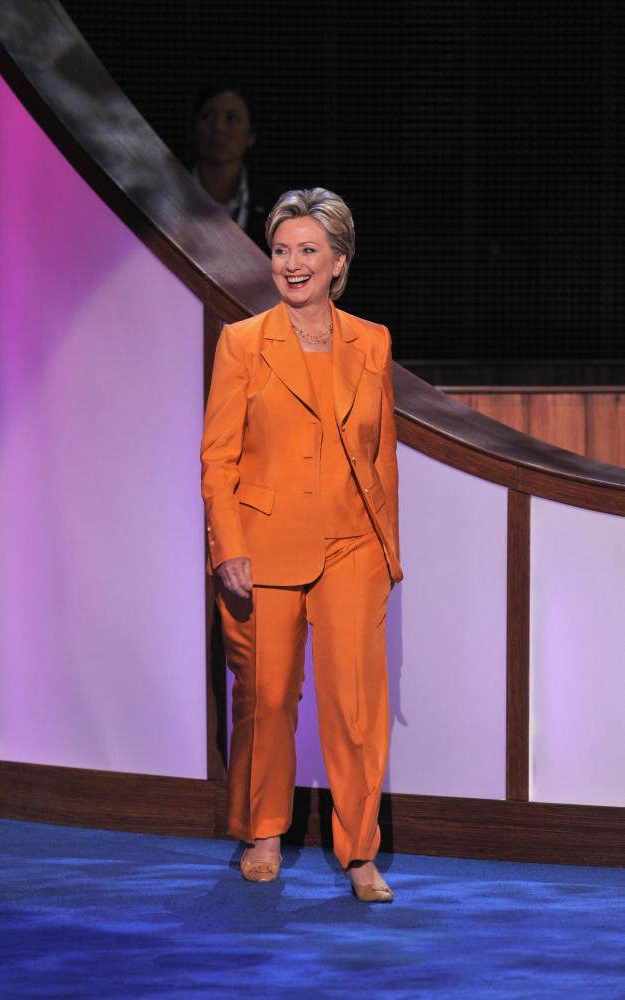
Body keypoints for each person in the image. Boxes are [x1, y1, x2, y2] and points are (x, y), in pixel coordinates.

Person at [200, 187, 403, 902]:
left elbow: (382, 459)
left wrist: (387, 554)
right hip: (264, 546)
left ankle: (359, 853)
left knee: (354, 704)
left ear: (338, 260)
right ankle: (262, 832)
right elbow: (217, 458)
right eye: (282, 250)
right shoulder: (243, 342)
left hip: (352, 546)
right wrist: (227, 546)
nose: (291, 264)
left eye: (307, 250)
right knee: (266, 696)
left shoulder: (370, 341)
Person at [189, 85, 271, 249]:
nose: (219, 128)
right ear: (194, 129)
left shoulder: (276, 207)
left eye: (232, 119)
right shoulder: (165, 197)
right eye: (208, 117)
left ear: (250, 136)